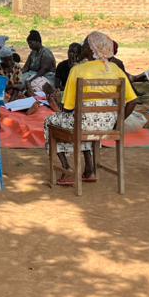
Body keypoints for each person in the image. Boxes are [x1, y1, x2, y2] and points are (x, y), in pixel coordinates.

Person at [43, 32, 136, 186]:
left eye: (86, 44)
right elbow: (133, 101)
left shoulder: (78, 70)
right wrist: (118, 123)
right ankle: (90, 169)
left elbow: (67, 109)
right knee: (81, 121)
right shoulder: (115, 69)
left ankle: (67, 170)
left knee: (51, 122)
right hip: (107, 125)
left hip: (84, 124)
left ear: (91, 49)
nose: (83, 46)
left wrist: (54, 103)